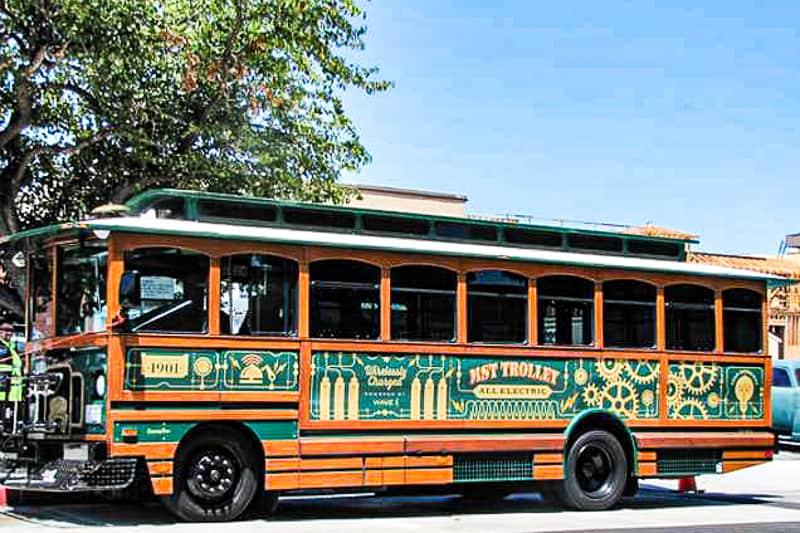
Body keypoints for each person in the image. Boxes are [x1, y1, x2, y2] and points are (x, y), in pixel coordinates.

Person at [0, 321, 23, 403]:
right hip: (3, 394)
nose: (9, 332)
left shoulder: (11, 347)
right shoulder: (2, 346)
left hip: (13, 394)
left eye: (11, 330)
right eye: (6, 330)